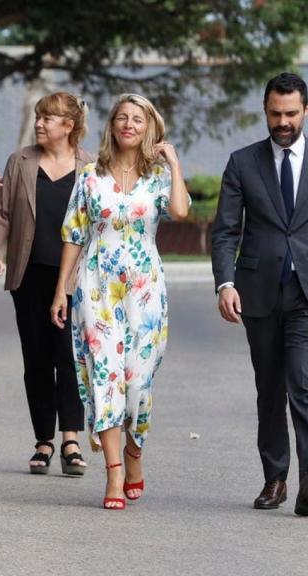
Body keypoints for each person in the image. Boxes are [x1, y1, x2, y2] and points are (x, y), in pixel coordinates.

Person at [51, 93, 189, 510]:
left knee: (137, 382)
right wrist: (62, 288)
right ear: (112, 125)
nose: (129, 124)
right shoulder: (90, 176)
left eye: (138, 120)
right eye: (122, 118)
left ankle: (134, 453)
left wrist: (176, 164)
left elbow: (180, 211)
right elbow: (75, 233)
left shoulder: (159, 175)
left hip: (145, 288)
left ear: (149, 128)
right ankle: (113, 472)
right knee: (105, 375)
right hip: (97, 284)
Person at [212, 72, 308, 515]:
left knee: (302, 385)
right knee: (269, 389)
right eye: (275, 113)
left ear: (305, 110)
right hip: (259, 293)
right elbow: (226, 231)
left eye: (290, 113)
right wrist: (226, 283)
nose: (282, 121)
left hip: (306, 294)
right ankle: (275, 479)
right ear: (265, 110)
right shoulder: (242, 162)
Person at [0, 93, 93, 476]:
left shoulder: (91, 167)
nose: (40, 123)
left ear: (69, 126)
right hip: (28, 275)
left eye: (49, 118)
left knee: (70, 357)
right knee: (37, 359)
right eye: (38, 117)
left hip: (76, 279)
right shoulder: (21, 162)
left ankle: (71, 440)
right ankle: (44, 440)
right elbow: (1, 213)